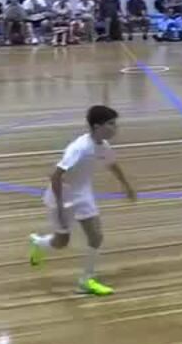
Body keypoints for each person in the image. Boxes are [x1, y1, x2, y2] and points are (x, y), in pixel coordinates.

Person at [27, 105, 136, 296]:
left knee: (96, 236)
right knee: (61, 242)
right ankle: (39, 243)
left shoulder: (102, 145)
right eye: (111, 124)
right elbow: (56, 176)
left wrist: (126, 186)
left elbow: (112, 164)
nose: (115, 128)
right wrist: (60, 206)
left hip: (83, 196)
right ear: (97, 126)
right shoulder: (79, 148)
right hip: (62, 197)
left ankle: (86, 280)